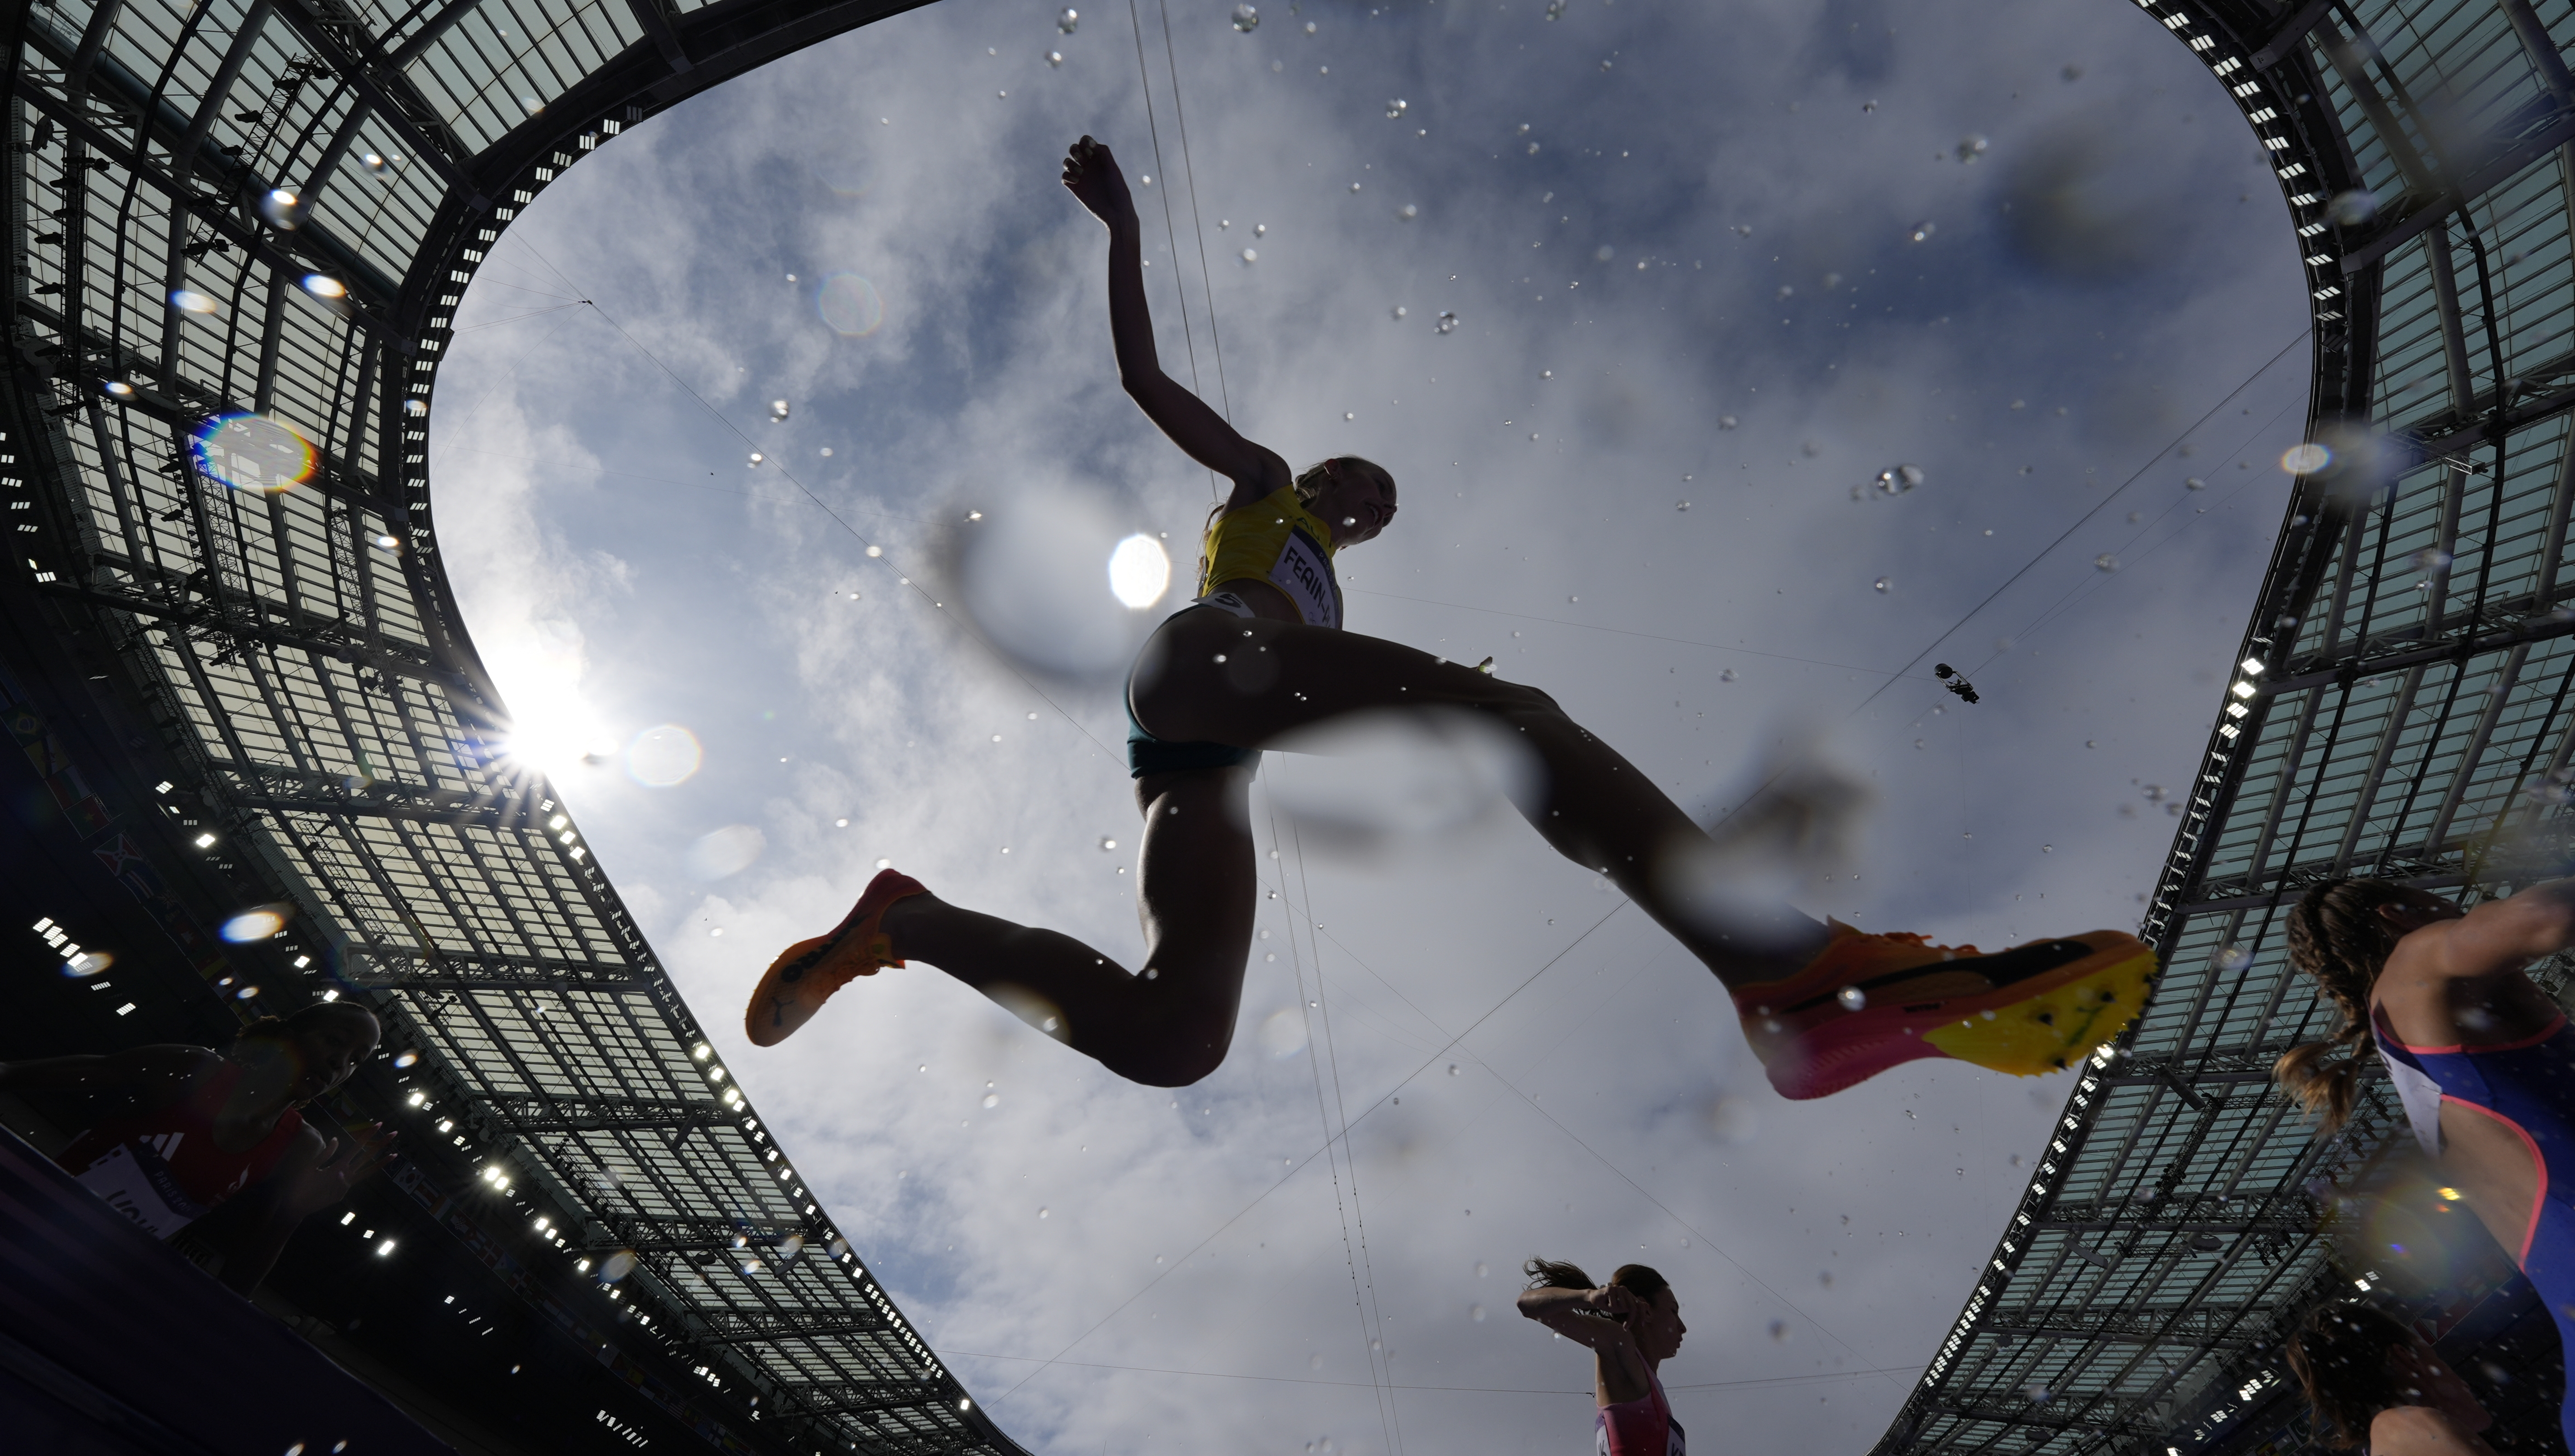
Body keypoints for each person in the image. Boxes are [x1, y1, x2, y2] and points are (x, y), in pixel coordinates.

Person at [744, 134, 2156, 1097]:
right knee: (1511, 721)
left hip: (1199, 753)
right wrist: (1124, 228)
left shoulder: (1327, 580)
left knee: (1179, 1038)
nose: (1356, 495)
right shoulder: (1262, 483)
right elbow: (1141, 380)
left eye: (1371, 503)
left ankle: (905, 926)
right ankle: (1787, 970)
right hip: (1204, 657)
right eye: (1353, 477)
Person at [2279, 875, 2575, 1451]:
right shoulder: (2417, 958)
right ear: (2396, 915)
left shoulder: (2416, 1058)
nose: (2462, 906)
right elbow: (2549, 915)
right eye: (2442, 903)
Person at [0, 1000, 391, 1293]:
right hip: (20, 1217)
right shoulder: (192, 1070)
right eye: (336, 1041)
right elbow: (15, 1075)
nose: (341, 1061)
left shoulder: (299, 1147)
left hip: (90, 1279)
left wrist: (294, 1214)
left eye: (357, 1060)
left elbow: (237, 1284)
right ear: (288, 1036)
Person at [1516, 1257, 1687, 1454]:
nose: (1682, 1327)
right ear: (1647, 1311)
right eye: (1674, 1311)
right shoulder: (1620, 1346)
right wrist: (1589, 1297)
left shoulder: (1652, 1386)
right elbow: (1526, 1304)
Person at [2282, 1301, 2498, 1454]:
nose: (2464, 1384)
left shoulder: (2391, 1439)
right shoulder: (2412, 1428)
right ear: (2407, 1359)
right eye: (2436, 1358)